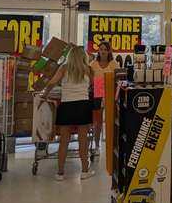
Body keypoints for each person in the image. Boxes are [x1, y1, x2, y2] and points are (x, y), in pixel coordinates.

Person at [41, 46, 96, 181]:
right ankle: (84, 171)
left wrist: (44, 95)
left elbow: (52, 83)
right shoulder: (89, 69)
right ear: (84, 56)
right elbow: (96, 87)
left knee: (64, 141)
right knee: (83, 141)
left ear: (70, 56)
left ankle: (60, 173)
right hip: (83, 106)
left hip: (66, 106)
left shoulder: (64, 68)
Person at [89, 41, 118, 154]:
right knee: (98, 122)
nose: (103, 51)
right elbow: (90, 80)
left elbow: (118, 80)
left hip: (111, 92)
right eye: (101, 49)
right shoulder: (93, 64)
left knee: (111, 120)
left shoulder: (113, 64)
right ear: (98, 50)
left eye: (105, 49)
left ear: (109, 51)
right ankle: (96, 146)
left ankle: (112, 145)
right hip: (98, 90)